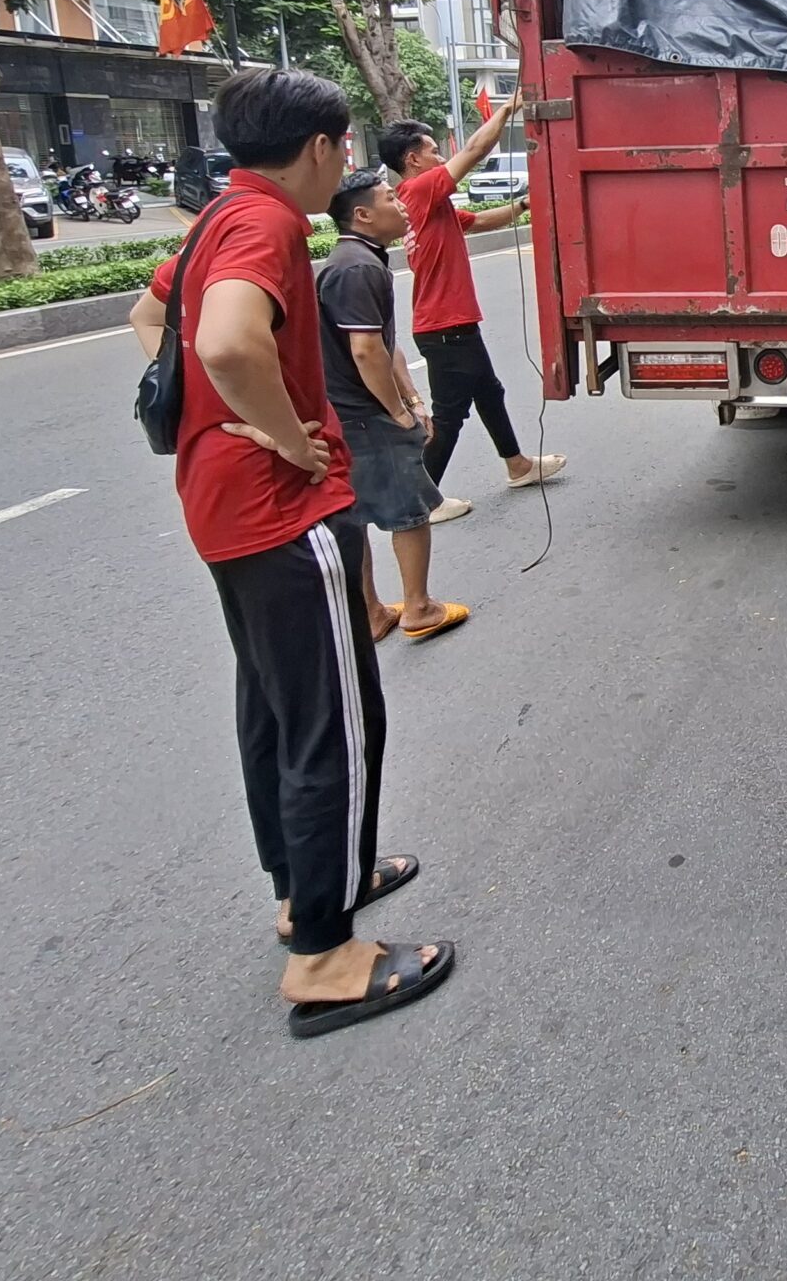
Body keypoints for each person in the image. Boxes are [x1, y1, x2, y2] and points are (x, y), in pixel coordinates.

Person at [128, 69, 452, 1037]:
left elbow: (152, 322)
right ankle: (325, 952)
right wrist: (274, 430)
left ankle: (304, 885)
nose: (349, 165)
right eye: (345, 148)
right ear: (318, 147)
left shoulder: (218, 216)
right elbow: (227, 345)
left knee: (273, 709)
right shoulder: (266, 224)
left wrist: (234, 426)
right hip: (280, 511)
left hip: (224, 509)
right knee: (336, 722)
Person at [381, 99, 565, 517]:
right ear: (412, 159)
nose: (441, 156)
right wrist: (506, 110)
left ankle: (517, 465)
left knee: (490, 394)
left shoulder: (432, 205)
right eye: (433, 150)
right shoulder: (418, 190)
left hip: (453, 324)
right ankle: (421, 502)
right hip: (445, 327)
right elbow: (476, 151)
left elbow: (481, 222)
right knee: (449, 416)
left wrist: (523, 204)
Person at [318, 168, 468, 645]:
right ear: (362, 215)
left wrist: (413, 397)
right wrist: (398, 413)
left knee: (359, 512)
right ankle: (419, 607)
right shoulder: (358, 267)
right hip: (363, 412)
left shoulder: (359, 259)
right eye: (389, 199)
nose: (401, 205)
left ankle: (372, 611)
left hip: (351, 409)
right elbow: (365, 351)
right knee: (410, 509)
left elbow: (387, 344)